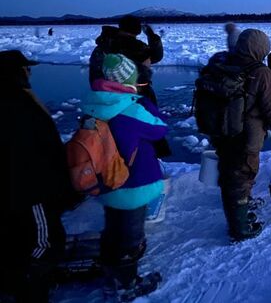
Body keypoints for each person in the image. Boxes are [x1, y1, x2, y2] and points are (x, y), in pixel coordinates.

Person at [82, 53, 168, 300]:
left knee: (111, 231)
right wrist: (144, 100)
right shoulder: (131, 107)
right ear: (129, 79)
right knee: (130, 238)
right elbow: (160, 128)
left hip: (105, 181)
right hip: (133, 183)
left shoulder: (92, 104)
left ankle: (109, 278)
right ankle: (126, 285)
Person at [0, 50, 80, 302]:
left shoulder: (14, 100)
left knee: (16, 239)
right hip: (30, 191)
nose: (30, 72)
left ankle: (16, 281)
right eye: (26, 69)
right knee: (46, 243)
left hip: (21, 190)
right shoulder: (17, 105)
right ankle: (29, 288)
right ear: (16, 73)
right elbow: (34, 153)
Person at [210, 29, 271, 241]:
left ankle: (240, 208)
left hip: (221, 132)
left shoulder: (222, 64)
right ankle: (240, 228)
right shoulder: (261, 72)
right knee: (241, 175)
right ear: (259, 49)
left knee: (229, 172)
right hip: (246, 136)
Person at [88, 15, 164, 105]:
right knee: (148, 116)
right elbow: (156, 56)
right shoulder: (137, 47)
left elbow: (95, 73)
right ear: (137, 29)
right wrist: (152, 36)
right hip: (135, 95)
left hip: (104, 94)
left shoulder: (102, 45)